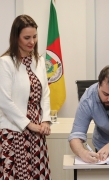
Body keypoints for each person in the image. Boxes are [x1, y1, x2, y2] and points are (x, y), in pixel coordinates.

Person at [0, 15, 51, 179]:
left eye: (34, 36)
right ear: (16, 37)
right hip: (14, 132)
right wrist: (29, 125)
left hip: (37, 133)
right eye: (27, 37)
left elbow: (45, 93)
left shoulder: (40, 61)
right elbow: (4, 101)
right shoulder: (5, 63)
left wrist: (45, 120)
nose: (32, 41)